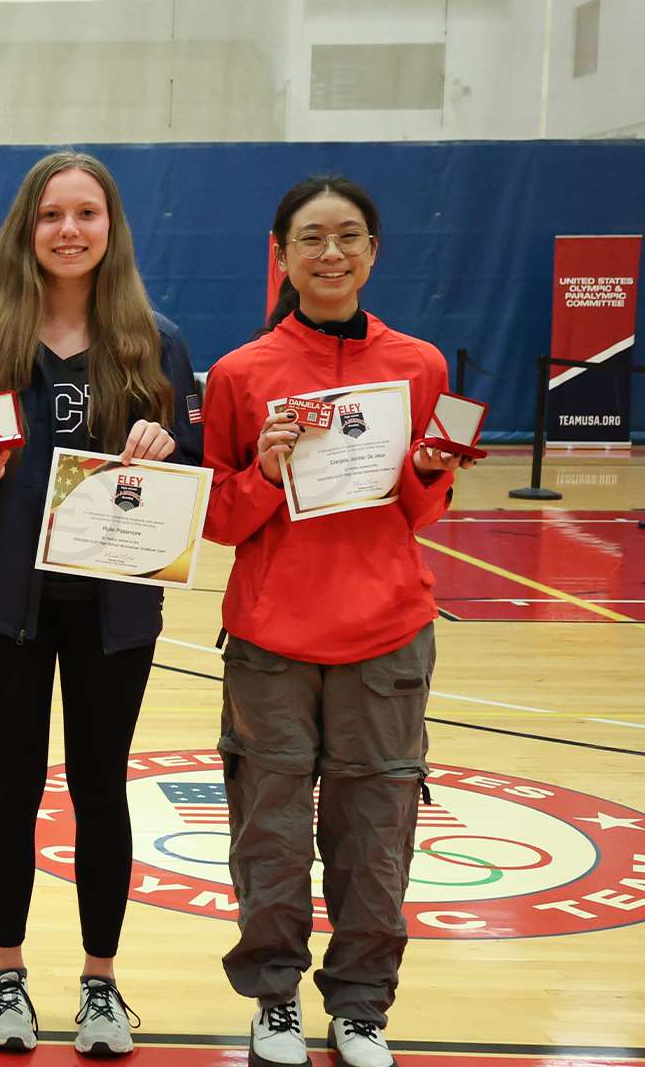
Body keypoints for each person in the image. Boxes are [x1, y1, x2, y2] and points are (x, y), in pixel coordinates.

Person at [0, 150, 203, 1056]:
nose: (70, 230)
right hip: (5, 599)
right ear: (27, 229)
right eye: (52, 215)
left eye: (88, 213)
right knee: (11, 786)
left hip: (114, 607)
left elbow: (191, 476)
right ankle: (7, 977)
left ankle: (98, 984)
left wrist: (168, 451)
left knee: (100, 787)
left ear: (111, 228)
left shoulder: (154, 342)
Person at [202, 176, 471, 1067]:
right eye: (311, 238)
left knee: (376, 831)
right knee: (269, 832)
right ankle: (273, 999)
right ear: (281, 254)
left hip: (386, 634)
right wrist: (266, 473)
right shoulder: (242, 374)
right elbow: (218, 519)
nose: (330, 254)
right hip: (272, 641)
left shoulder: (421, 365)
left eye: (348, 237)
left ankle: (360, 1006)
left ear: (373, 252)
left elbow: (422, 513)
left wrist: (425, 467)